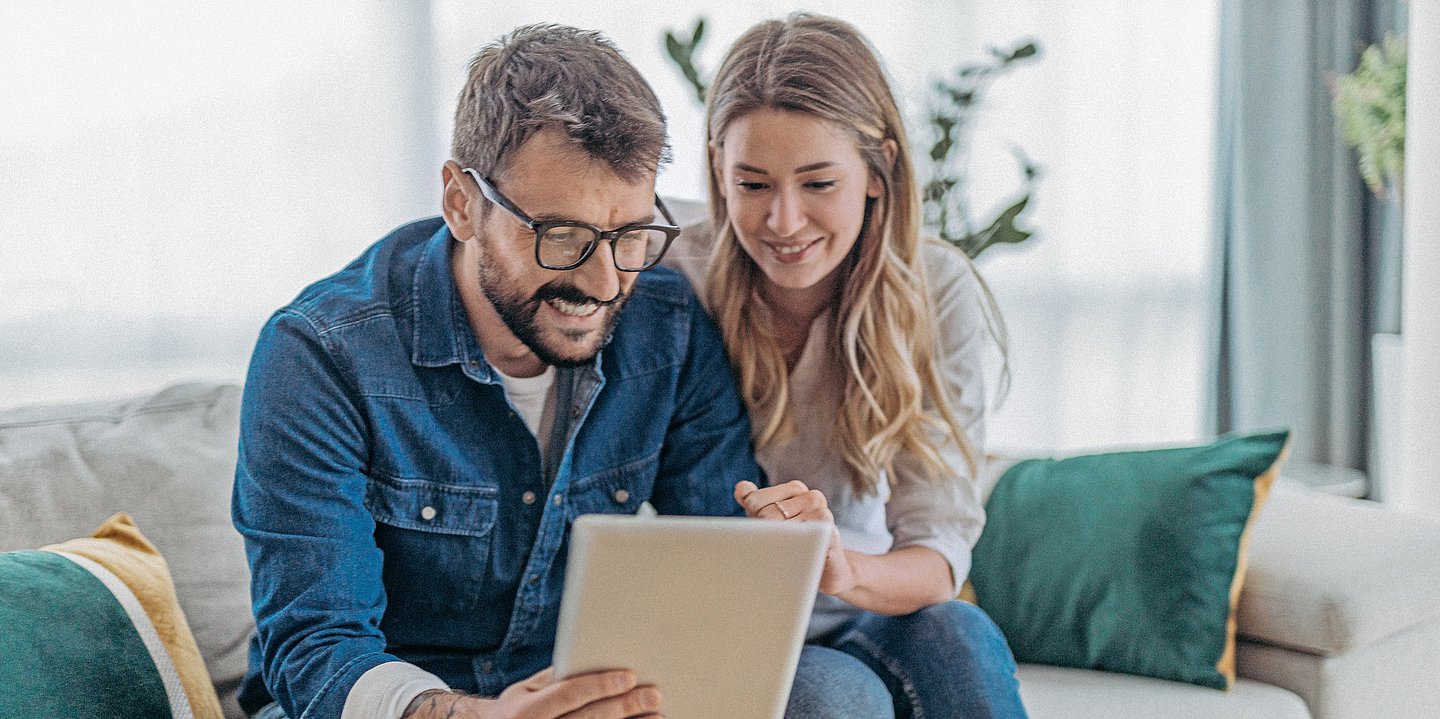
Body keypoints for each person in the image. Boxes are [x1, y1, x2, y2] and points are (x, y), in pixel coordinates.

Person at [232, 25, 769, 719]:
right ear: (462, 202)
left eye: (631, 235)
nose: (604, 282)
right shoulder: (320, 354)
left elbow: (718, 566)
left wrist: (775, 546)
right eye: (564, 237)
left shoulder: (665, 326)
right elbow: (315, 647)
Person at [665, 13, 1029, 719]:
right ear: (717, 168)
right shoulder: (673, 270)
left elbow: (937, 554)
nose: (784, 221)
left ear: (877, 169)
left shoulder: (938, 290)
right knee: (832, 696)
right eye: (753, 184)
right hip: (738, 629)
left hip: (871, 599)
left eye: (818, 183)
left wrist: (838, 568)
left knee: (962, 633)